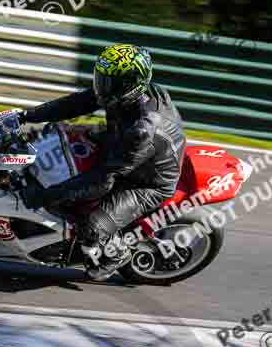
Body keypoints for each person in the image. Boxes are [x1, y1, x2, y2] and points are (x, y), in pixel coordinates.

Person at [20, 44, 186, 281]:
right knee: (56, 135)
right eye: (101, 79)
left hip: (145, 182)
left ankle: (116, 253)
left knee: (91, 225)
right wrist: (28, 116)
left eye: (109, 83)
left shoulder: (143, 129)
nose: (101, 86)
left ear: (130, 85)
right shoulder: (122, 96)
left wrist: (45, 196)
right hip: (123, 145)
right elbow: (76, 103)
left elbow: (103, 181)